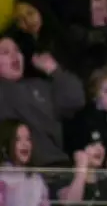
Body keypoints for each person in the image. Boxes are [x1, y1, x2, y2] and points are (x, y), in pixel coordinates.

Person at [0, 30, 85, 166]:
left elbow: (75, 101)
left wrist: (54, 70)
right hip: (17, 169)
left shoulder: (40, 85)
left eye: (17, 50)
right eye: (5, 52)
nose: (14, 55)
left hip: (56, 164)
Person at [56, 131, 107, 204]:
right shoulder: (65, 178)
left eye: (102, 145)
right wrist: (81, 168)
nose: (100, 149)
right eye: (93, 145)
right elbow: (70, 204)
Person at [0, 119, 49, 206]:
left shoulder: (36, 179)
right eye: (18, 139)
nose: (25, 144)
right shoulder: (2, 178)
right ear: (6, 144)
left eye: (28, 139)